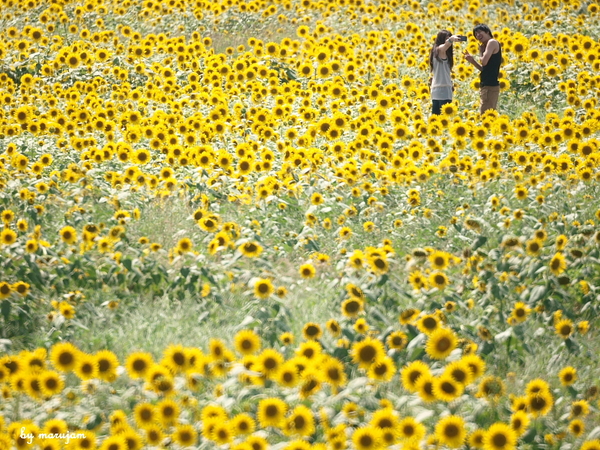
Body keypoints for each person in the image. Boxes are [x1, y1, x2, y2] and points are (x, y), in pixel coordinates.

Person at [464, 24, 502, 114]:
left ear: (487, 32)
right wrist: (472, 61)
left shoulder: (492, 42)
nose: (478, 35)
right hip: (486, 85)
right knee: (487, 115)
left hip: (490, 87)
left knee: (486, 116)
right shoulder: (488, 45)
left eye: (479, 32)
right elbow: (484, 69)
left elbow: (483, 62)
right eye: (476, 34)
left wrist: (481, 52)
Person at [429, 30, 463, 115]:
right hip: (443, 90)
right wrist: (451, 39)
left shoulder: (435, 52)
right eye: (446, 39)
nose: (449, 42)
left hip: (436, 90)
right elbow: (444, 46)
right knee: (444, 119)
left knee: (435, 120)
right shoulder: (440, 50)